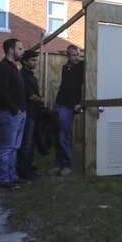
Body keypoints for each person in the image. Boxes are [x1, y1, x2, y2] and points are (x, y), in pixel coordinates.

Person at [0, 38, 26, 188]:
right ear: (11, 50)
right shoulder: (2, 68)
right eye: (20, 49)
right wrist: (14, 109)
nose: (22, 51)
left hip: (19, 115)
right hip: (9, 114)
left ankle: (12, 176)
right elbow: (2, 92)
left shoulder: (14, 67)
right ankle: (2, 179)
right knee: (5, 148)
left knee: (14, 147)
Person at [48, 45, 84, 177]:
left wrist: (80, 103)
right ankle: (59, 165)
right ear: (68, 56)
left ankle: (67, 165)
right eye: (74, 55)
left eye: (78, 54)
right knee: (57, 136)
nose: (77, 57)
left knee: (64, 137)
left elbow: (84, 86)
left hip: (69, 107)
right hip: (58, 103)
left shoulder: (82, 66)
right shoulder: (65, 67)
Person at [17, 49, 44, 181]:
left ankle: (29, 167)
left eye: (35, 60)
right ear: (24, 61)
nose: (35, 63)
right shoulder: (22, 76)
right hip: (27, 113)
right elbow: (30, 96)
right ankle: (24, 171)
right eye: (32, 60)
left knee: (32, 142)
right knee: (26, 143)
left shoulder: (31, 76)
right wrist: (41, 100)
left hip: (34, 113)